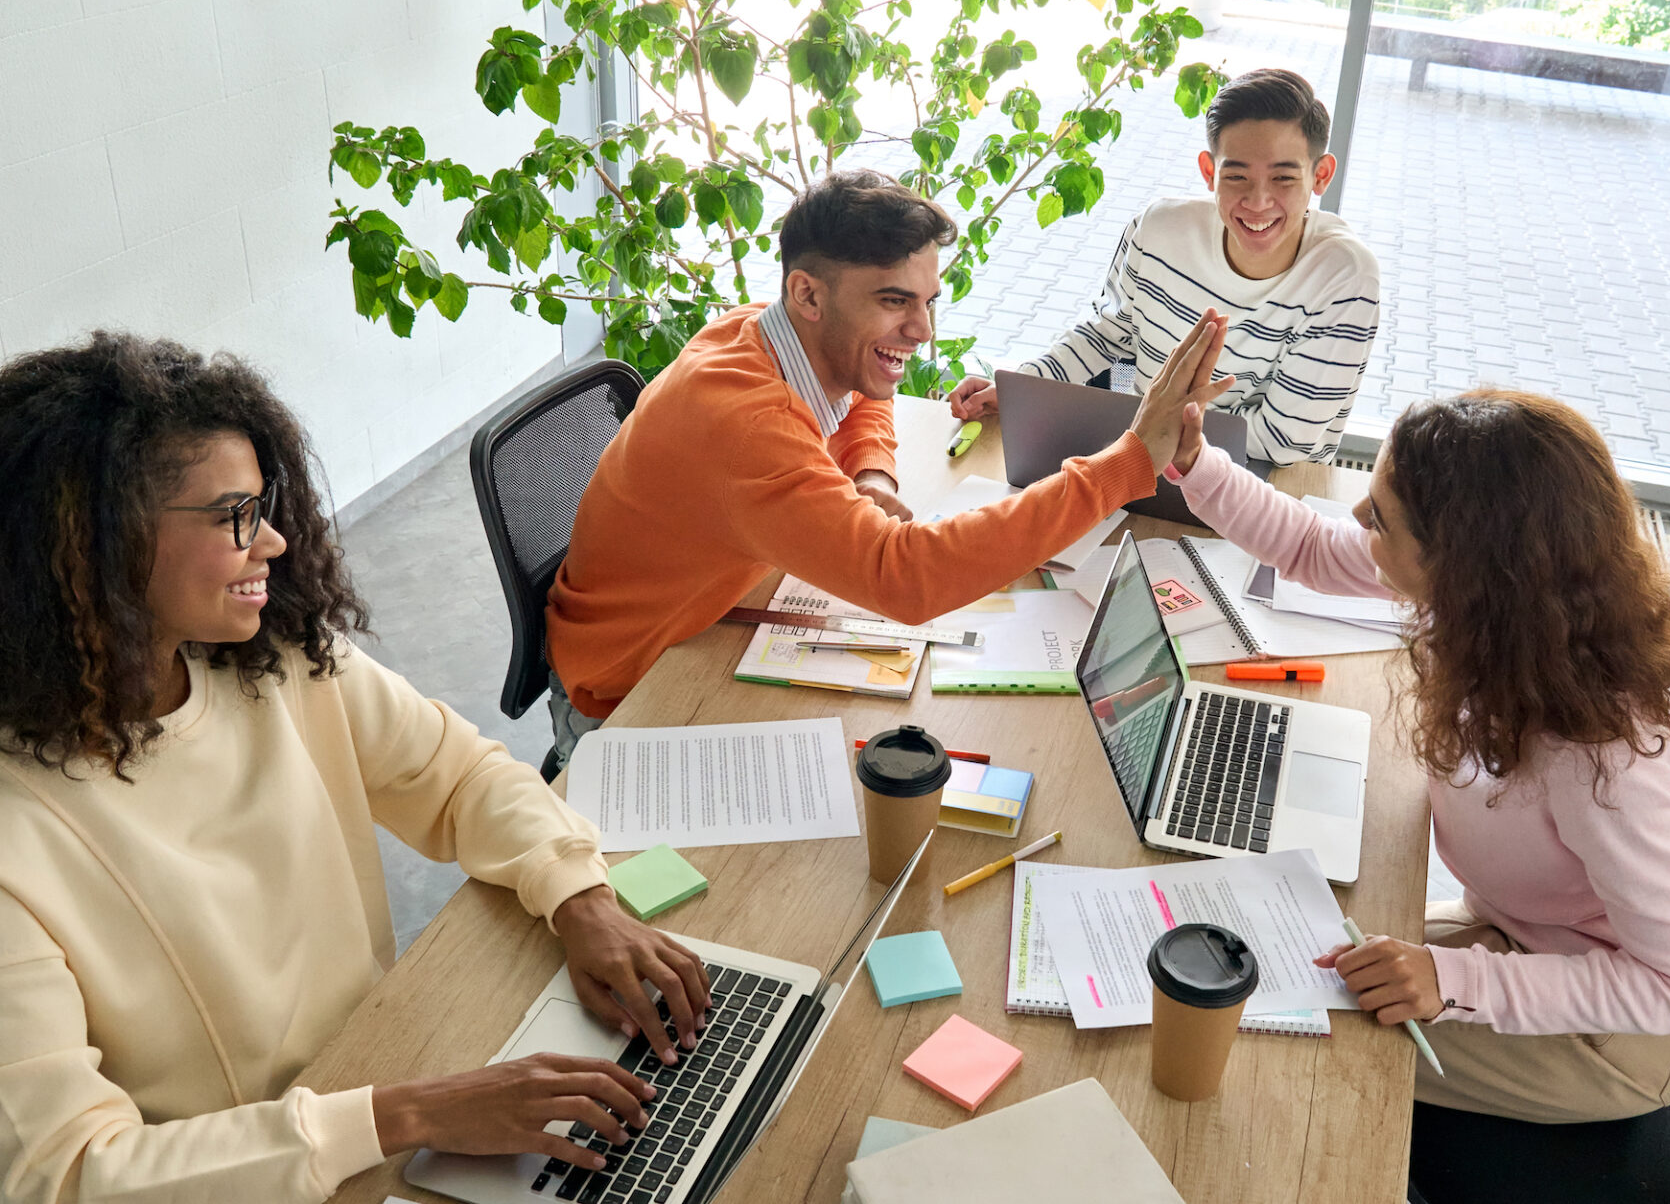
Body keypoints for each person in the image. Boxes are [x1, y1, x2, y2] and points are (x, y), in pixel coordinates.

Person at [0, 333, 714, 1203]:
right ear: (93, 542)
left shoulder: (282, 660)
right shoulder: (18, 834)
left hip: (381, 1081)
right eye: (234, 515)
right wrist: (405, 1116)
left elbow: (460, 776)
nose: (272, 540)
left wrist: (580, 895)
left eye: (265, 506)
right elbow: (64, 1173)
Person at [1166, 389, 1670, 1123]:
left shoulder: (1600, 757)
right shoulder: (1496, 608)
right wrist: (1194, 464)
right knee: (1271, 968)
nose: (1359, 520)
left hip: (1623, 1033)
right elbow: (1307, 546)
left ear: (1462, 562)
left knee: (1283, 1034)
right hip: (1520, 935)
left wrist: (1453, 976)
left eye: (1381, 515)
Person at [544, 169, 1229, 756]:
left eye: (928, 301)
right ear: (808, 295)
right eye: (894, 301)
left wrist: (869, 473)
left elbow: (863, 389)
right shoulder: (745, 423)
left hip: (709, 621)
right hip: (625, 697)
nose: (923, 330)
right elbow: (906, 579)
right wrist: (1127, 461)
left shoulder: (765, 331)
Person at [947, 67, 1381, 467]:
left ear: (1320, 176)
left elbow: (1284, 441)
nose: (1258, 201)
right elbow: (1109, 336)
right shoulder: (1157, 229)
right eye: (1237, 176)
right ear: (1209, 171)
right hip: (1144, 459)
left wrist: (1151, 429)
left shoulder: (1345, 276)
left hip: (1258, 484)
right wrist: (1023, 387)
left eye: (1284, 178)